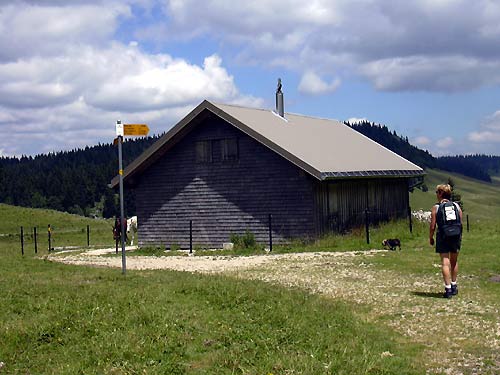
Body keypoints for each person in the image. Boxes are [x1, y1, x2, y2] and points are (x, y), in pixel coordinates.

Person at [429, 184, 463, 298]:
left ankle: (447, 289)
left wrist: (431, 237)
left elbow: (433, 225)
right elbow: (461, 223)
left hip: (443, 235)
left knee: (445, 261)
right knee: (454, 260)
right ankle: (454, 285)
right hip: (456, 235)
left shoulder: (436, 207)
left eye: (437, 192)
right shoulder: (456, 206)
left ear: (440, 194)